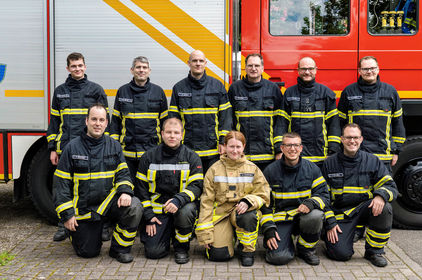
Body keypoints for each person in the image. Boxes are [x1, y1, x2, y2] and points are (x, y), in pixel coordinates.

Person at [53, 104, 142, 263]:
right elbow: (61, 184)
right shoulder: (72, 147)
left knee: (134, 207)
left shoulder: (114, 145)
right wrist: (67, 214)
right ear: (86, 121)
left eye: (101, 120)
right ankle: (76, 233)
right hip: (85, 209)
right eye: (94, 119)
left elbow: (123, 173)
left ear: (106, 123)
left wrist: (125, 192)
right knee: (87, 252)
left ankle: (119, 249)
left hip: (108, 204)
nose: (97, 123)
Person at [46, 52, 109, 242]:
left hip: (91, 147)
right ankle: (63, 225)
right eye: (73, 66)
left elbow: (105, 120)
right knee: (64, 187)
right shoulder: (60, 91)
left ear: (85, 67)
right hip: (66, 149)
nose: (77, 69)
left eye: (80, 65)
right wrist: (52, 148)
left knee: (95, 186)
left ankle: (102, 225)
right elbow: (54, 122)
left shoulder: (96, 90)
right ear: (68, 68)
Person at [321, 123, 397, 267]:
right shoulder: (329, 163)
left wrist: (380, 196)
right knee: (340, 254)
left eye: (355, 137)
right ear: (342, 139)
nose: (352, 141)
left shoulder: (372, 161)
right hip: (341, 215)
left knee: (385, 207)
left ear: (361, 139)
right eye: (348, 137)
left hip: (364, 209)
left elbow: (390, 186)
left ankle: (374, 251)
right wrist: (329, 222)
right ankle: (332, 237)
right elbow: (322, 195)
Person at [195, 131, 270, 267]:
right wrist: (205, 234)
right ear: (224, 146)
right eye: (231, 147)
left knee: (248, 217)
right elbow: (206, 202)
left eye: (238, 147)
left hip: (241, 213)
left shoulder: (253, 169)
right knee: (218, 255)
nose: (235, 151)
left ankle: (246, 250)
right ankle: (229, 236)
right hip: (220, 216)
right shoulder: (214, 170)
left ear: (243, 147)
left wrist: (248, 201)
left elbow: (264, 195)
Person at [135, 118, 203, 264]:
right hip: (158, 213)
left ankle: (181, 248)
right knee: (154, 253)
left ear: (182, 135)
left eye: (176, 132)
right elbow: (141, 190)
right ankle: (166, 234)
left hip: (181, 208)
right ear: (162, 133)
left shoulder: (192, 157)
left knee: (187, 211)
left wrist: (178, 200)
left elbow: (196, 186)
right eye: (169, 132)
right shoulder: (148, 157)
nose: (172, 136)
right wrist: (148, 217)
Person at [261, 132, 329, 266]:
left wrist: (311, 203)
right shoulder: (270, 171)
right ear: (282, 148)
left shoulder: (312, 169)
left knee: (315, 215)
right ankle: (285, 243)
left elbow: (324, 195)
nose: (293, 149)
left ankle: (306, 249)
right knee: (278, 258)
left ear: (301, 148)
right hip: (281, 220)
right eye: (288, 145)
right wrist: (269, 229)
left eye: (296, 145)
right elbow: (264, 205)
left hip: (303, 217)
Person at [338, 56, 406, 172]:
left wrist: (396, 151)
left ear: (378, 69)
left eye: (372, 68)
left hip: (383, 156)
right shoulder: (349, 92)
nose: (369, 71)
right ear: (359, 71)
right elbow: (339, 123)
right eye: (365, 69)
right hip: (355, 155)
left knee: (383, 189)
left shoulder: (390, 92)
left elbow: (398, 123)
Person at [168, 50, 232, 173]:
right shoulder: (179, 88)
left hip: (213, 151)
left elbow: (226, 118)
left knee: (212, 186)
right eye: (194, 61)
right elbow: (173, 120)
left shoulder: (217, 86)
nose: (198, 63)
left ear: (205, 63)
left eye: (201, 61)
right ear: (188, 63)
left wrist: (223, 141)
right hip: (186, 149)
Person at [110, 56, 168, 182]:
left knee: (150, 188)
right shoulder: (122, 91)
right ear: (132, 70)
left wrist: (164, 149)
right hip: (127, 154)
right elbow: (115, 122)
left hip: (152, 153)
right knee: (128, 186)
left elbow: (165, 125)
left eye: (144, 67)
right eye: (138, 67)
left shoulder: (158, 92)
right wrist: (114, 148)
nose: (141, 70)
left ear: (149, 71)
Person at [227, 53, 287, 171]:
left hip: (267, 154)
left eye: (256, 65)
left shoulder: (273, 89)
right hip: (241, 153)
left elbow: (280, 122)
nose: (253, 68)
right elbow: (230, 120)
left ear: (262, 68)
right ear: (245, 67)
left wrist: (279, 149)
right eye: (250, 65)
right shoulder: (235, 88)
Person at [278, 57, 340, 168]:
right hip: (294, 156)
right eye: (303, 69)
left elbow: (334, 125)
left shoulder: (326, 93)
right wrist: (279, 148)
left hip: (321, 156)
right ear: (298, 71)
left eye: (310, 69)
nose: (307, 72)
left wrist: (333, 151)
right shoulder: (289, 93)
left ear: (316, 70)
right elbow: (282, 123)